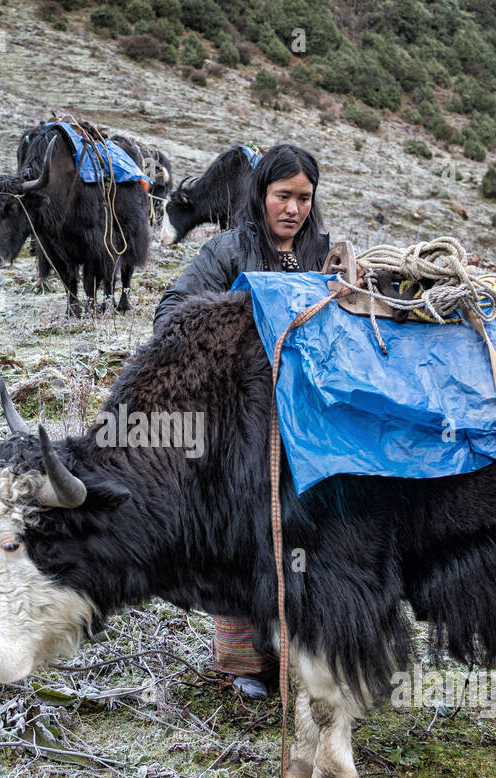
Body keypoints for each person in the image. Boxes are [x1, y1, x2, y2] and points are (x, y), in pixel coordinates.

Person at [153, 144, 329, 697]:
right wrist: (234, 327)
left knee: (306, 535)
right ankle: (244, 662)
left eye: (304, 198)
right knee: (244, 532)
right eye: (283, 196)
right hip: (240, 426)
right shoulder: (229, 250)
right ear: (261, 195)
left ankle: (299, 653)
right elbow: (170, 312)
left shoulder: (326, 254)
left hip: (308, 422)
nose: (293, 209)